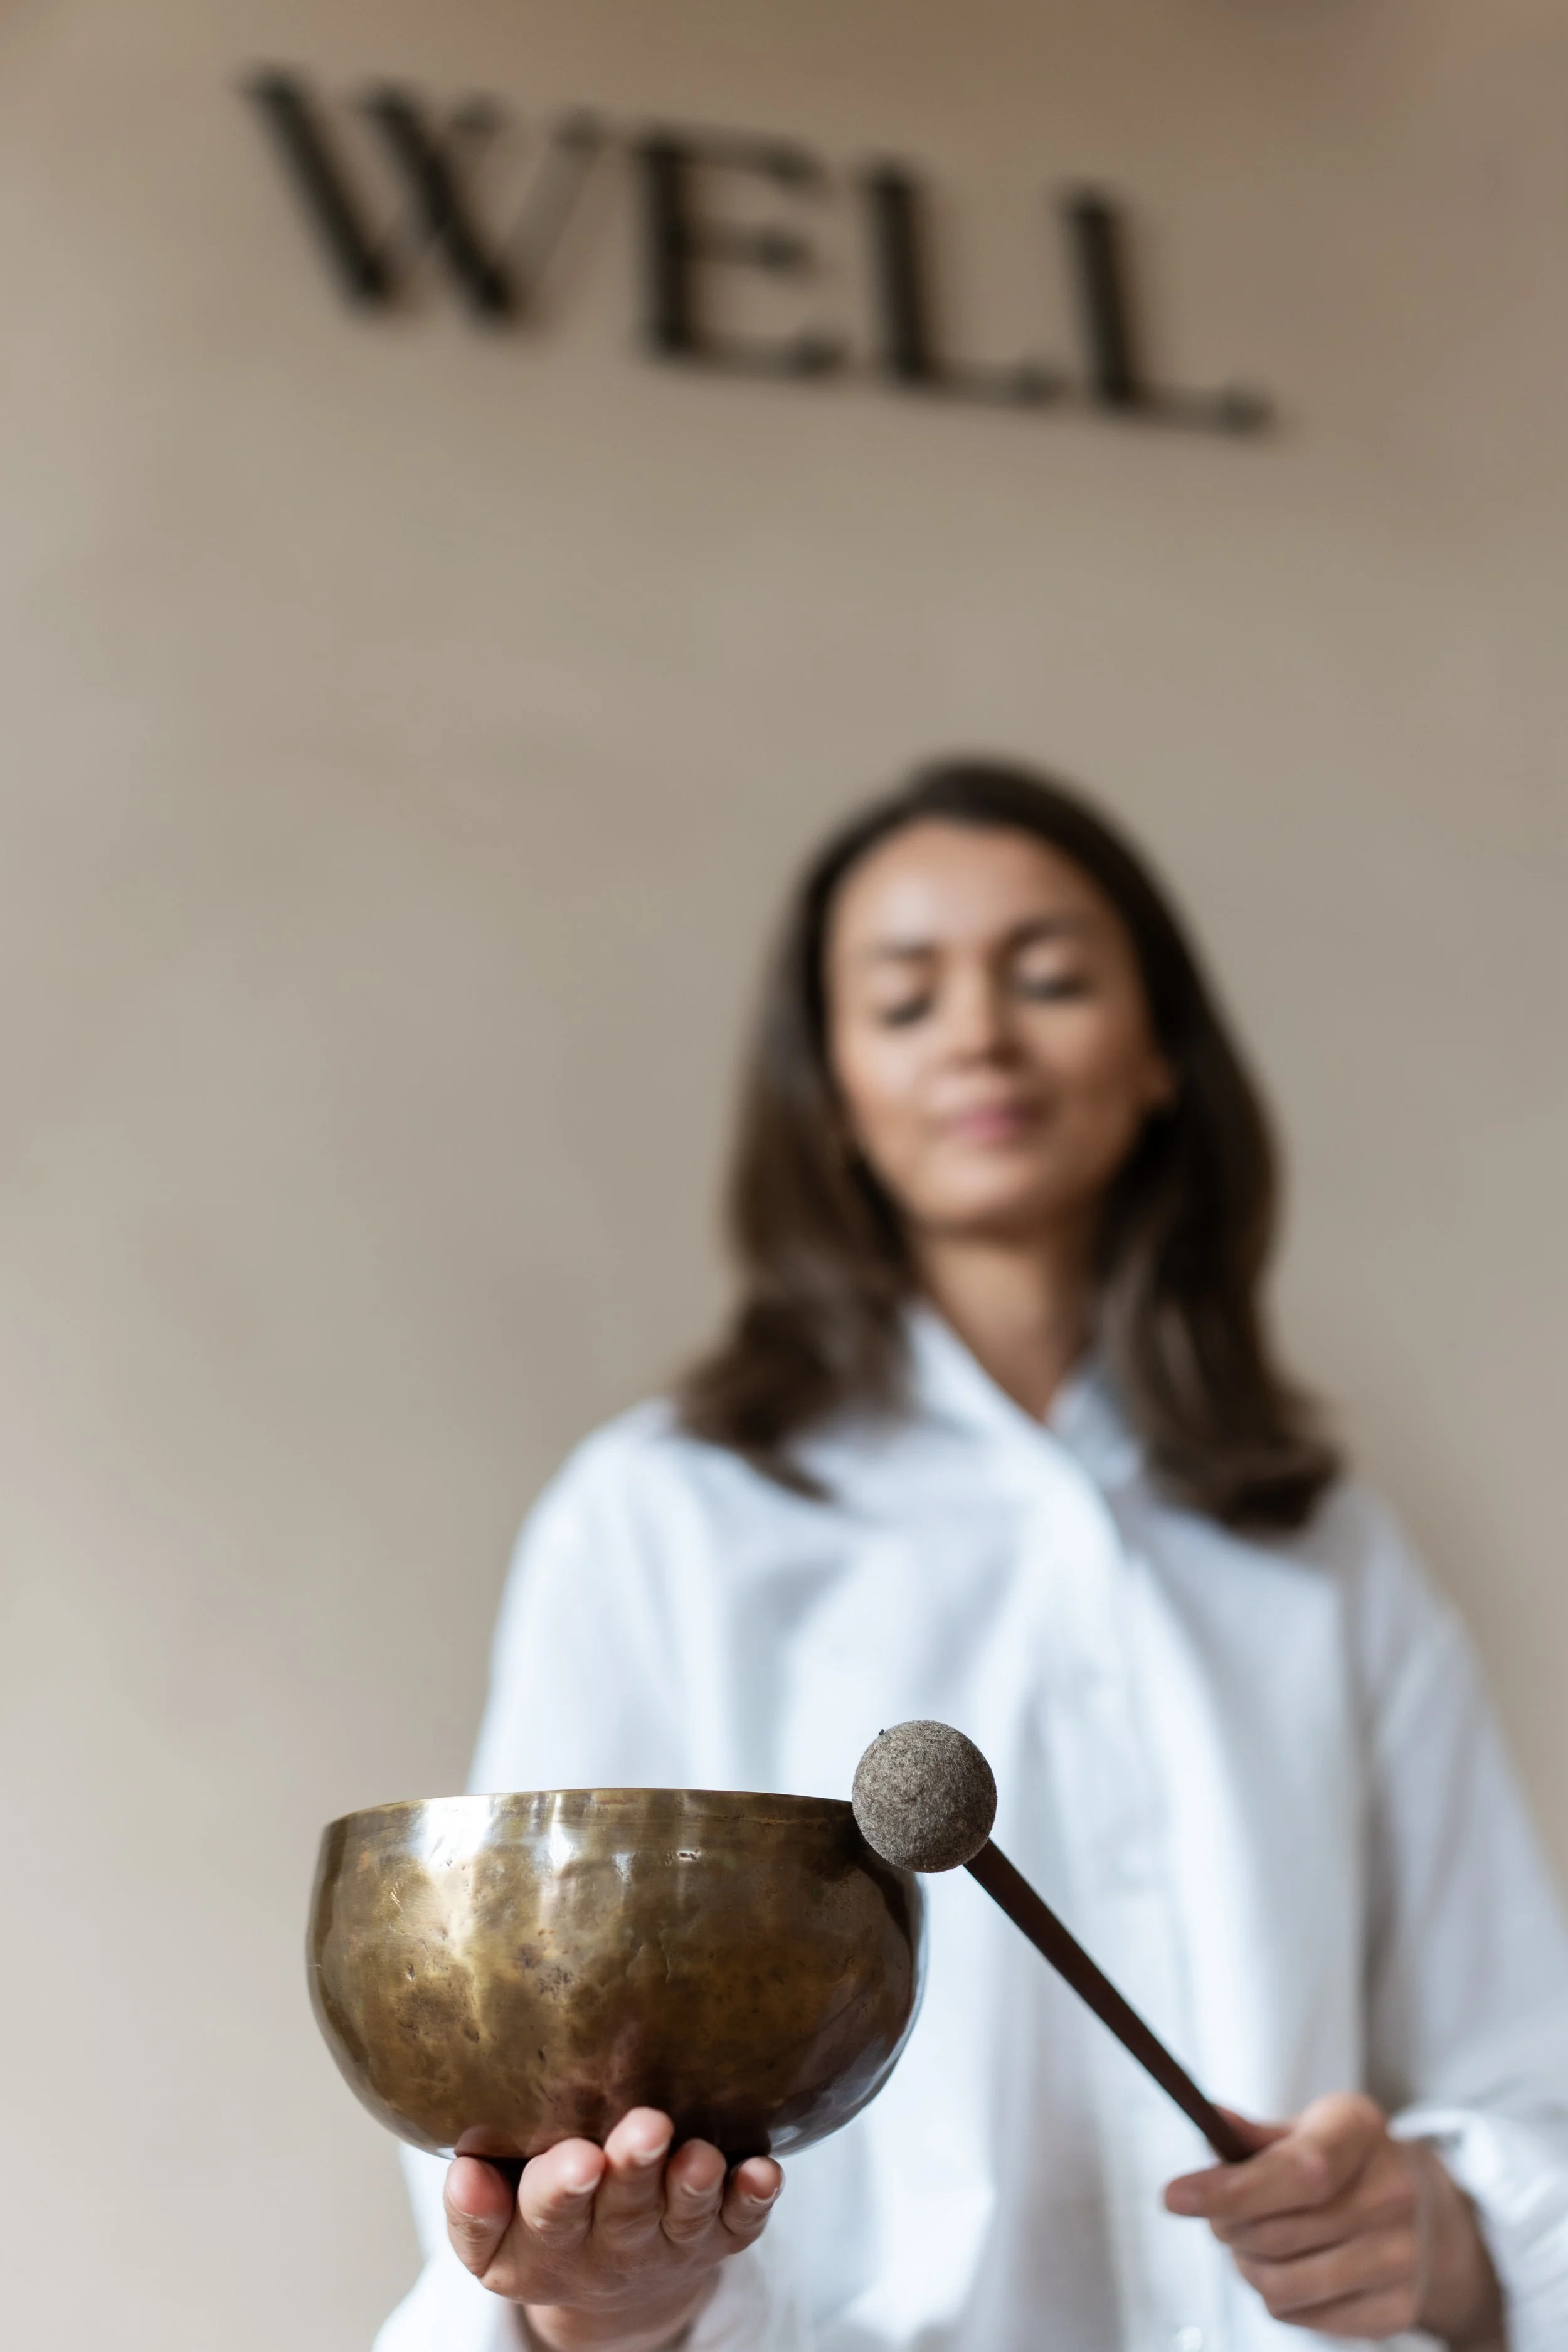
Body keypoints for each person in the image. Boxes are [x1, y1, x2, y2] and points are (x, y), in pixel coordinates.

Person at [376, 760, 1568, 2352]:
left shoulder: (1318, 1544)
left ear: (1157, 1059)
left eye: (1051, 977)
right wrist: (616, 2294)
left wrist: (1442, 2236)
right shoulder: (665, 1517)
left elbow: (1519, 2078)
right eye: (902, 999)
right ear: (835, 1098)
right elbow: (527, 2099)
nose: (981, 1037)